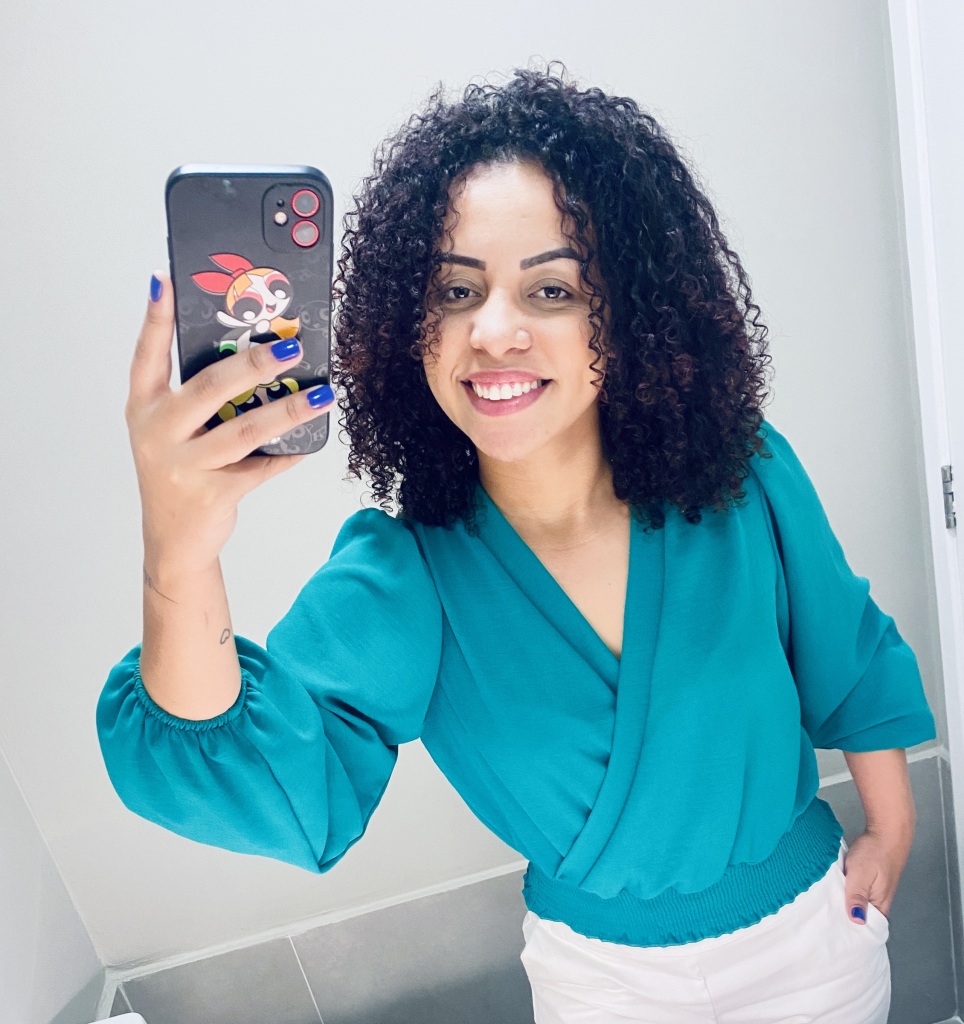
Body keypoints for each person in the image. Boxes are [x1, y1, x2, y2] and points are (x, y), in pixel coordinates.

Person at [98, 67, 935, 1023]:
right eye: (456, 290)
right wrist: (178, 554)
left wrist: (894, 825)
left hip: (817, 947)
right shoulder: (407, 580)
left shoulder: (740, 476)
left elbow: (844, 644)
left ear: (629, 313)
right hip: (604, 990)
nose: (493, 331)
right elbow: (259, 770)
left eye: (552, 288)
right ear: (410, 326)